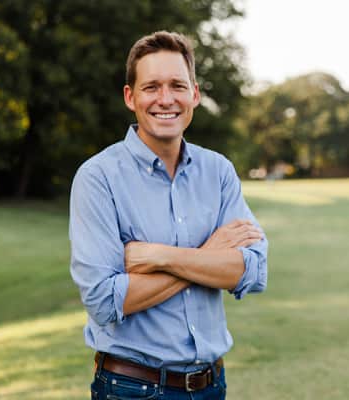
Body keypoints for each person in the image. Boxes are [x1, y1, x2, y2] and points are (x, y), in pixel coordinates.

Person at [69, 31, 268, 400]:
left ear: (194, 94)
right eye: (151, 87)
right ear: (130, 97)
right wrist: (209, 257)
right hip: (131, 389)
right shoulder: (98, 178)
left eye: (177, 85)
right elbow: (103, 301)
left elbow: (252, 271)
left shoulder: (218, 172)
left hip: (211, 386)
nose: (165, 99)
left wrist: (159, 256)